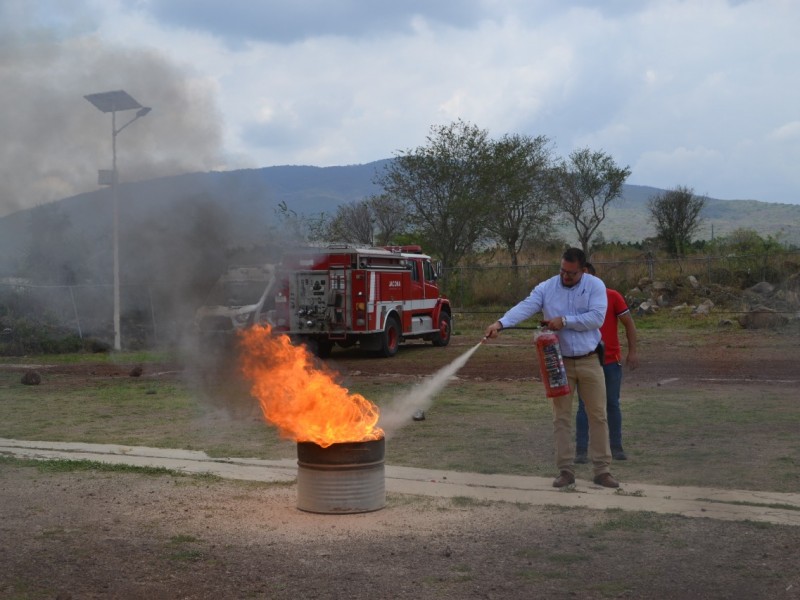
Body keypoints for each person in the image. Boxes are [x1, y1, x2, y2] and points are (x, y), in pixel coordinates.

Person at [484, 248, 619, 488]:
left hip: (589, 360)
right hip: (559, 362)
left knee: (598, 416)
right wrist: (500, 323)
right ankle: (565, 471)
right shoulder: (547, 287)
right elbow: (526, 306)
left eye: (571, 273)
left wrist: (564, 321)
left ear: (583, 270)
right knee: (561, 418)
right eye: (562, 271)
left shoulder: (596, 285)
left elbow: (597, 318)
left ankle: (602, 470)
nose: (565, 276)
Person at [574, 263, 639, 465]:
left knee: (612, 404)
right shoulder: (574, 300)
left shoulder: (612, 296)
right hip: (585, 360)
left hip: (610, 361)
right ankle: (581, 450)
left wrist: (633, 352)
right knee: (584, 406)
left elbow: (629, 323)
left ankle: (616, 446)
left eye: (586, 275)